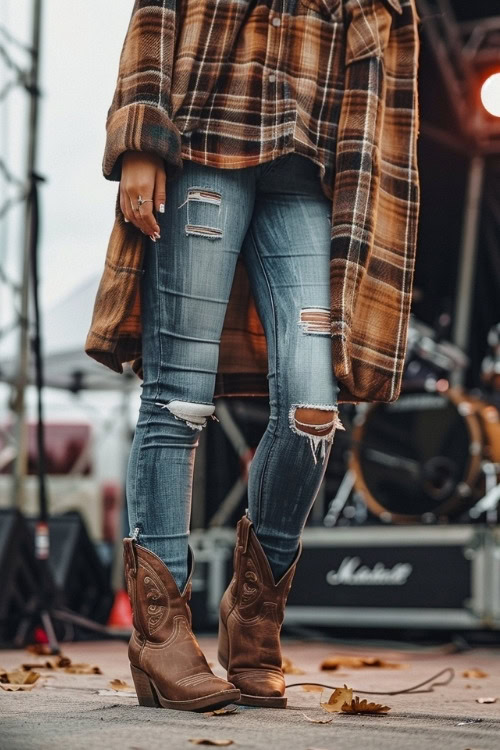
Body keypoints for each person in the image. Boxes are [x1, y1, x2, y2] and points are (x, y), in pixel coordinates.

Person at [85, 0, 421, 712]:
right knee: (180, 397)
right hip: (208, 139)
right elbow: (159, 13)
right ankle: (161, 628)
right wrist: (141, 138)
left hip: (306, 170)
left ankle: (254, 613)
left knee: (313, 412)